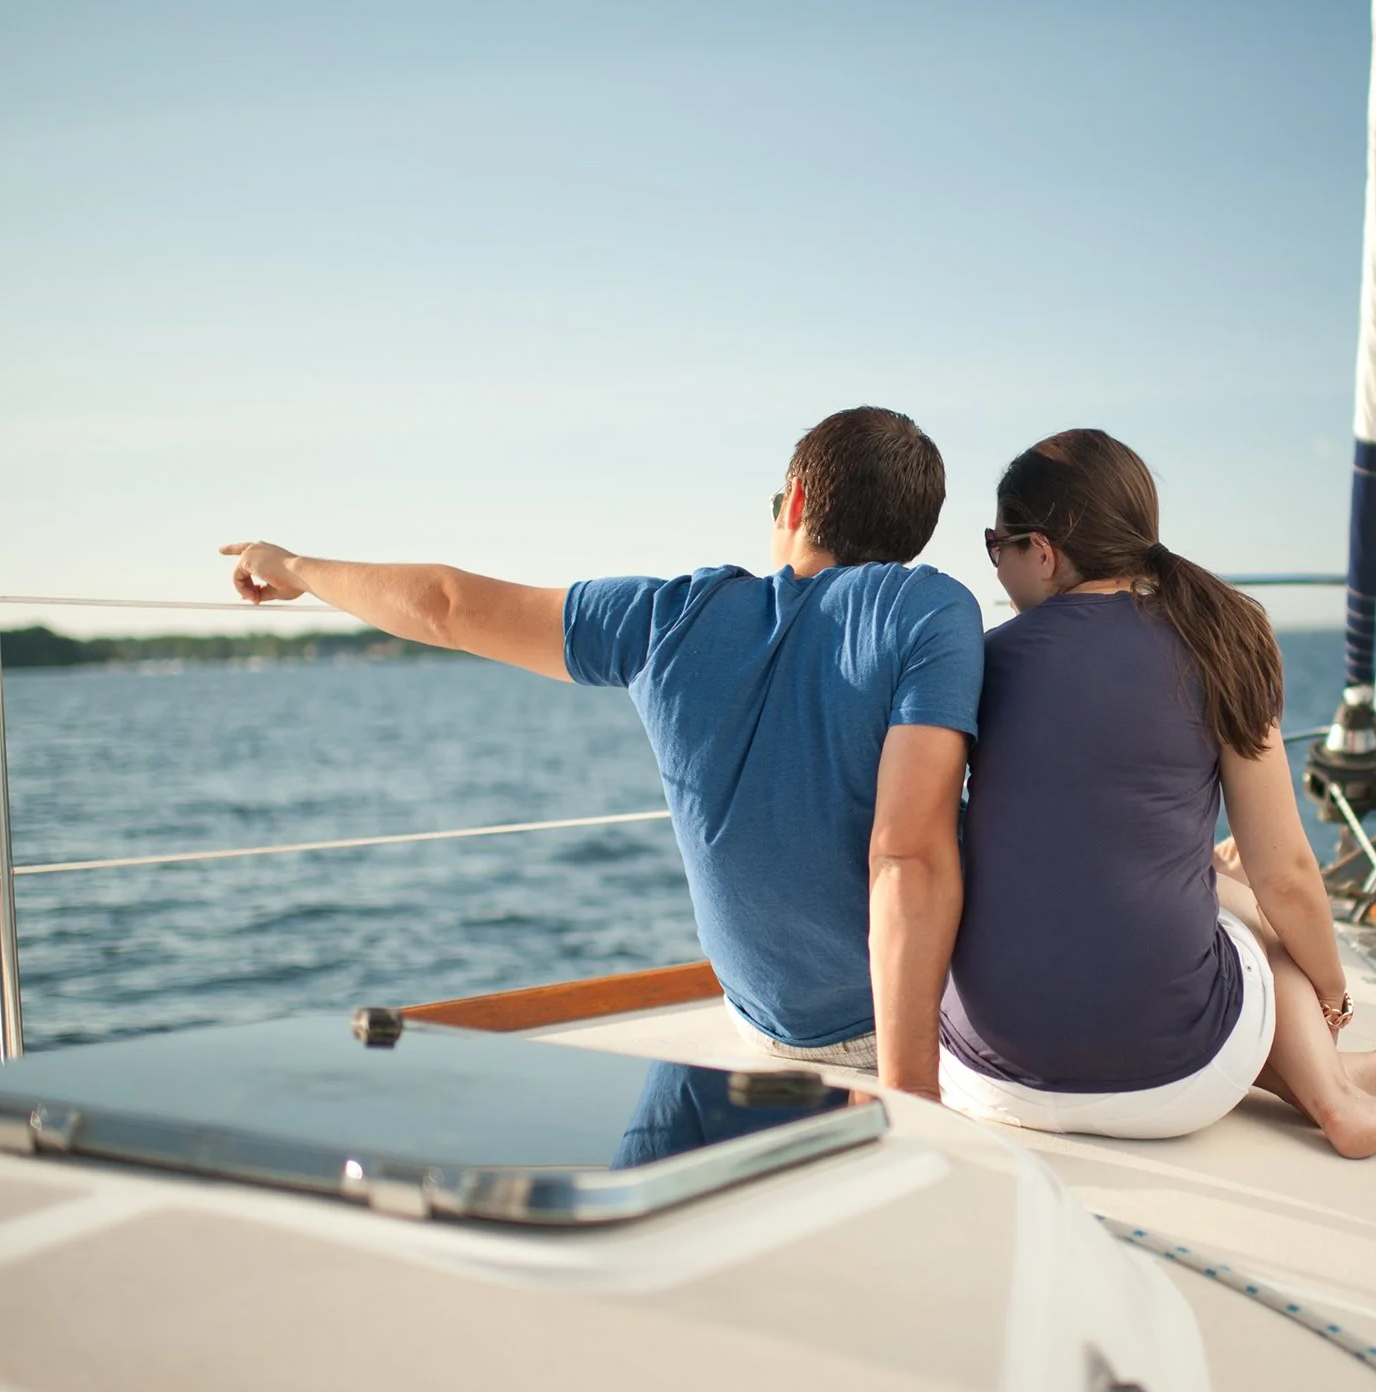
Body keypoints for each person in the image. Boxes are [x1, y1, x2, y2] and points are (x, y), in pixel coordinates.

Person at [221, 406, 981, 1097]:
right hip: (910, 1029)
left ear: (799, 500)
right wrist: (909, 1101)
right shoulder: (927, 609)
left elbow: (444, 606)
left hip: (765, 1027)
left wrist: (295, 569)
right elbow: (907, 856)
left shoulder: (668, 619)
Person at [936, 430, 1376, 1157]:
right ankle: (1336, 1096)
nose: (996, 565)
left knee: (1211, 880)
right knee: (1247, 904)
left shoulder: (979, 664)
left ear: (1046, 551)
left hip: (990, 1081)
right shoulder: (1220, 642)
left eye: (999, 545)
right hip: (1170, 1086)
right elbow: (1289, 877)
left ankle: (1329, 1082)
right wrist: (1334, 996)